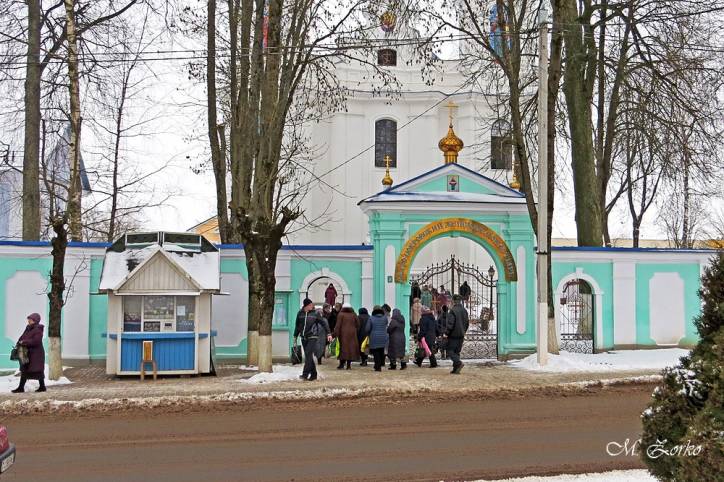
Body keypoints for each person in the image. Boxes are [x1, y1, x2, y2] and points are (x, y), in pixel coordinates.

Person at [294, 299, 330, 381]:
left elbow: (323, 323)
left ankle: (305, 374)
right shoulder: (300, 313)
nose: (312, 306)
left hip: (313, 336)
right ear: (306, 305)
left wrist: (329, 333)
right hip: (303, 337)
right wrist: (295, 336)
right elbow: (297, 325)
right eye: (310, 305)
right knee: (308, 356)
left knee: (308, 353)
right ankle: (314, 374)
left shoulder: (315, 313)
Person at [11, 313, 46, 393]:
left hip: (36, 354)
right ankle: (21, 387)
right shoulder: (28, 328)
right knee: (25, 369)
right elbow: (22, 336)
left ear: (35, 320)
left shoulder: (38, 329)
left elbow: (36, 341)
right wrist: (18, 342)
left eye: (30, 319)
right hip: (28, 352)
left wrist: (24, 342)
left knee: (37, 370)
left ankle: (42, 386)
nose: (28, 321)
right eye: (28, 319)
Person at [445, 294, 470, 374]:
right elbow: (467, 323)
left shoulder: (453, 311)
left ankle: (458, 363)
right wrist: (464, 331)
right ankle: (456, 369)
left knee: (450, 351)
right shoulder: (464, 310)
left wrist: (446, 333)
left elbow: (450, 324)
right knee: (457, 352)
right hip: (461, 334)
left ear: (453, 301)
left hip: (453, 335)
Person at [333, 303, 360, 370]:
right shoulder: (354, 314)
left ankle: (341, 364)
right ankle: (348, 365)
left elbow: (338, 325)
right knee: (350, 349)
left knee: (342, 349)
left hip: (342, 334)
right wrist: (354, 330)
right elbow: (358, 324)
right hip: (352, 334)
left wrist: (334, 334)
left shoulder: (341, 314)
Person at [367, 306, 389, 372]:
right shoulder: (385, 318)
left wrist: (369, 333)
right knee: (381, 351)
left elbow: (367, 328)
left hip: (374, 337)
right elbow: (386, 324)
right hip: (383, 337)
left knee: (375, 352)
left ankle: (377, 367)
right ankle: (379, 365)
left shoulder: (371, 318)